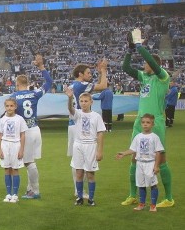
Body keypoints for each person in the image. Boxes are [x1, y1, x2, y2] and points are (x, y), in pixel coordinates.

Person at [120, 32, 173, 207]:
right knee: (134, 157)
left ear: (154, 64)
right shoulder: (145, 77)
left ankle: (169, 198)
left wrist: (139, 45)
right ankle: (132, 195)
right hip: (139, 122)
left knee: (161, 159)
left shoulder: (162, 76)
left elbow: (150, 61)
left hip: (156, 122)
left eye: (146, 63)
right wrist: (130, 50)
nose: (144, 65)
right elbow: (126, 68)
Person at [11, 54, 52, 199]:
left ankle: (35, 191)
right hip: (35, 129)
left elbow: (10, 113)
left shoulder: (14, 96)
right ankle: (30, 189)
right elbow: (49, 83)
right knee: (31, 160)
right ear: (27, 83)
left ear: (17, 84)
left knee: (28, 162)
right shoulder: (34, 93)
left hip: (25, 132)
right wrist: (41, 67)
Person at [67, 59, 108, 198]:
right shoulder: (81, 85)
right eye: (88, 73)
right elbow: (103, 85)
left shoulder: (73, 85)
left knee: (76, 160)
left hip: (73, 124)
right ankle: (80, 190)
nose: (90, 75)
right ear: (80, 74)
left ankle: (77, 189)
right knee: (81, 161)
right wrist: (103, 70)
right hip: (80, 124)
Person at [117, 114, 164, 212]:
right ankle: (141, 204)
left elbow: (158, 152)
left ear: (152, 124)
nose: (145, 124)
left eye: (148, 122)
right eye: (143, 122)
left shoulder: (155, 137)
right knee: (141, 184)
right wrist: (124, 153)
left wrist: (156, 166)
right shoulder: (138, 137)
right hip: (140, 164)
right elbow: (133, 149)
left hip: (150, 163)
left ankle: (153, 205)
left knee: (153, 184)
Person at [71, 92, 106, 206]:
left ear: (91, 102)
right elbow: (70, 109)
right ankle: (80, 197)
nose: (83, 103)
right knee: (79, 172)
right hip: (78, 145)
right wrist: (69, 98)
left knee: (90, 173)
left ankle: (91, 198)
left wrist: (100, 150)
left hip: (91, 145)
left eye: (86, 101)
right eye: (81, 101)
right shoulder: (78, 114)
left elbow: (100, 133)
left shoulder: (96, 116)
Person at [0, 98, 28, 203]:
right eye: (7, 106)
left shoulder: (20, 119)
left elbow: (23, 135)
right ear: (5, 107)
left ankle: (15, 194)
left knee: (15, 169)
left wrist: (21, 150)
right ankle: (8, 193)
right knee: (7, 169)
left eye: (11, 106)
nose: (9, 108)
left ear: (15, 107)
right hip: (5, 145)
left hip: (16, 145)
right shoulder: (1, 120)